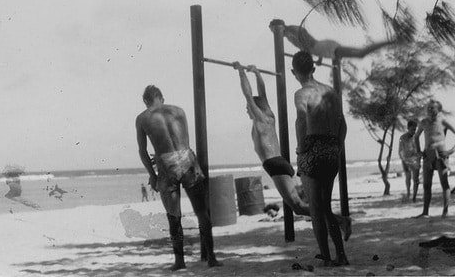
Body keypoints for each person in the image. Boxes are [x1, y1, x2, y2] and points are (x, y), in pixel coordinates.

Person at [232, 62, 350, 241]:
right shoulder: (268, 115)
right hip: (279, 163)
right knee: (303, 203)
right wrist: (257, 73)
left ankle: (341, 220)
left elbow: (248, 95)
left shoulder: (261, 118)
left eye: (249, 108)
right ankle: (336, 221)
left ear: (255, 108)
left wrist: (241, 72)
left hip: (275, 166)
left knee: (299, 207)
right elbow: (261, 94)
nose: (246, 109)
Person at [136, 85, 222, 271]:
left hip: (166, 166)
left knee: (174, 216)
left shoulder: (142, 118)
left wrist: (152, 174)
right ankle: (212, 258)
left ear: (145, 101)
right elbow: (184, 140)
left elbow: (142, 152)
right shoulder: (178, 111)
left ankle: (180, 261)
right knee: (202, 212)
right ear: (162, 98)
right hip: (187, 159)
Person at [291, 51, 349, 266]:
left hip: (312, 148)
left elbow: (300, 120)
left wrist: (300, 146)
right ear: (314, 69)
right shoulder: (331, 92)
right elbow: (343, 124)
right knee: (325, 205)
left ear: (293, 72)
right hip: (332, 148)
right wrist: (338, 147)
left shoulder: (301, 93)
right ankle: (341, 255)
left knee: (316, 209)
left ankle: (326, 258)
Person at [414, 99, 455, 218]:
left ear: (438, 110)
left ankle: (445, 212)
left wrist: (452, 150)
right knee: (426, 185)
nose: (430, 110)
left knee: (444, 183)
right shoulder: (423, 122)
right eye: (428, 108)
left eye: (433, 108)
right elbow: (416, 137)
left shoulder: (443, 121)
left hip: (440, 155)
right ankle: (425, 212)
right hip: (427, 155)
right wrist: (419, 151)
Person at [279, 24, 396, 66]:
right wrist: (319, 58)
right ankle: (390, 41)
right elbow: (308, 44)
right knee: (361, 54)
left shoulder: (290, 31)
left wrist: (310, 56)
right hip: (322, 49)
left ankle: (390, 41)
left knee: (361, 54)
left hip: (325, 48)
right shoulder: (289, 35)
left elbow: (308, 43)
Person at [399, 120, 421, 202]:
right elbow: (400, 150)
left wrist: (418, 157)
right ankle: (408, 193)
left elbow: (418, 149)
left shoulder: (416, 137)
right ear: (408, 128)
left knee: (416, 180)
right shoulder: (402, 137)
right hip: (406, 160)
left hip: (415, 160)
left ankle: (414, 196)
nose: (414, 131)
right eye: (412, 129)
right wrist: (403, 159)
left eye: (415, 129)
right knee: (408, 178)